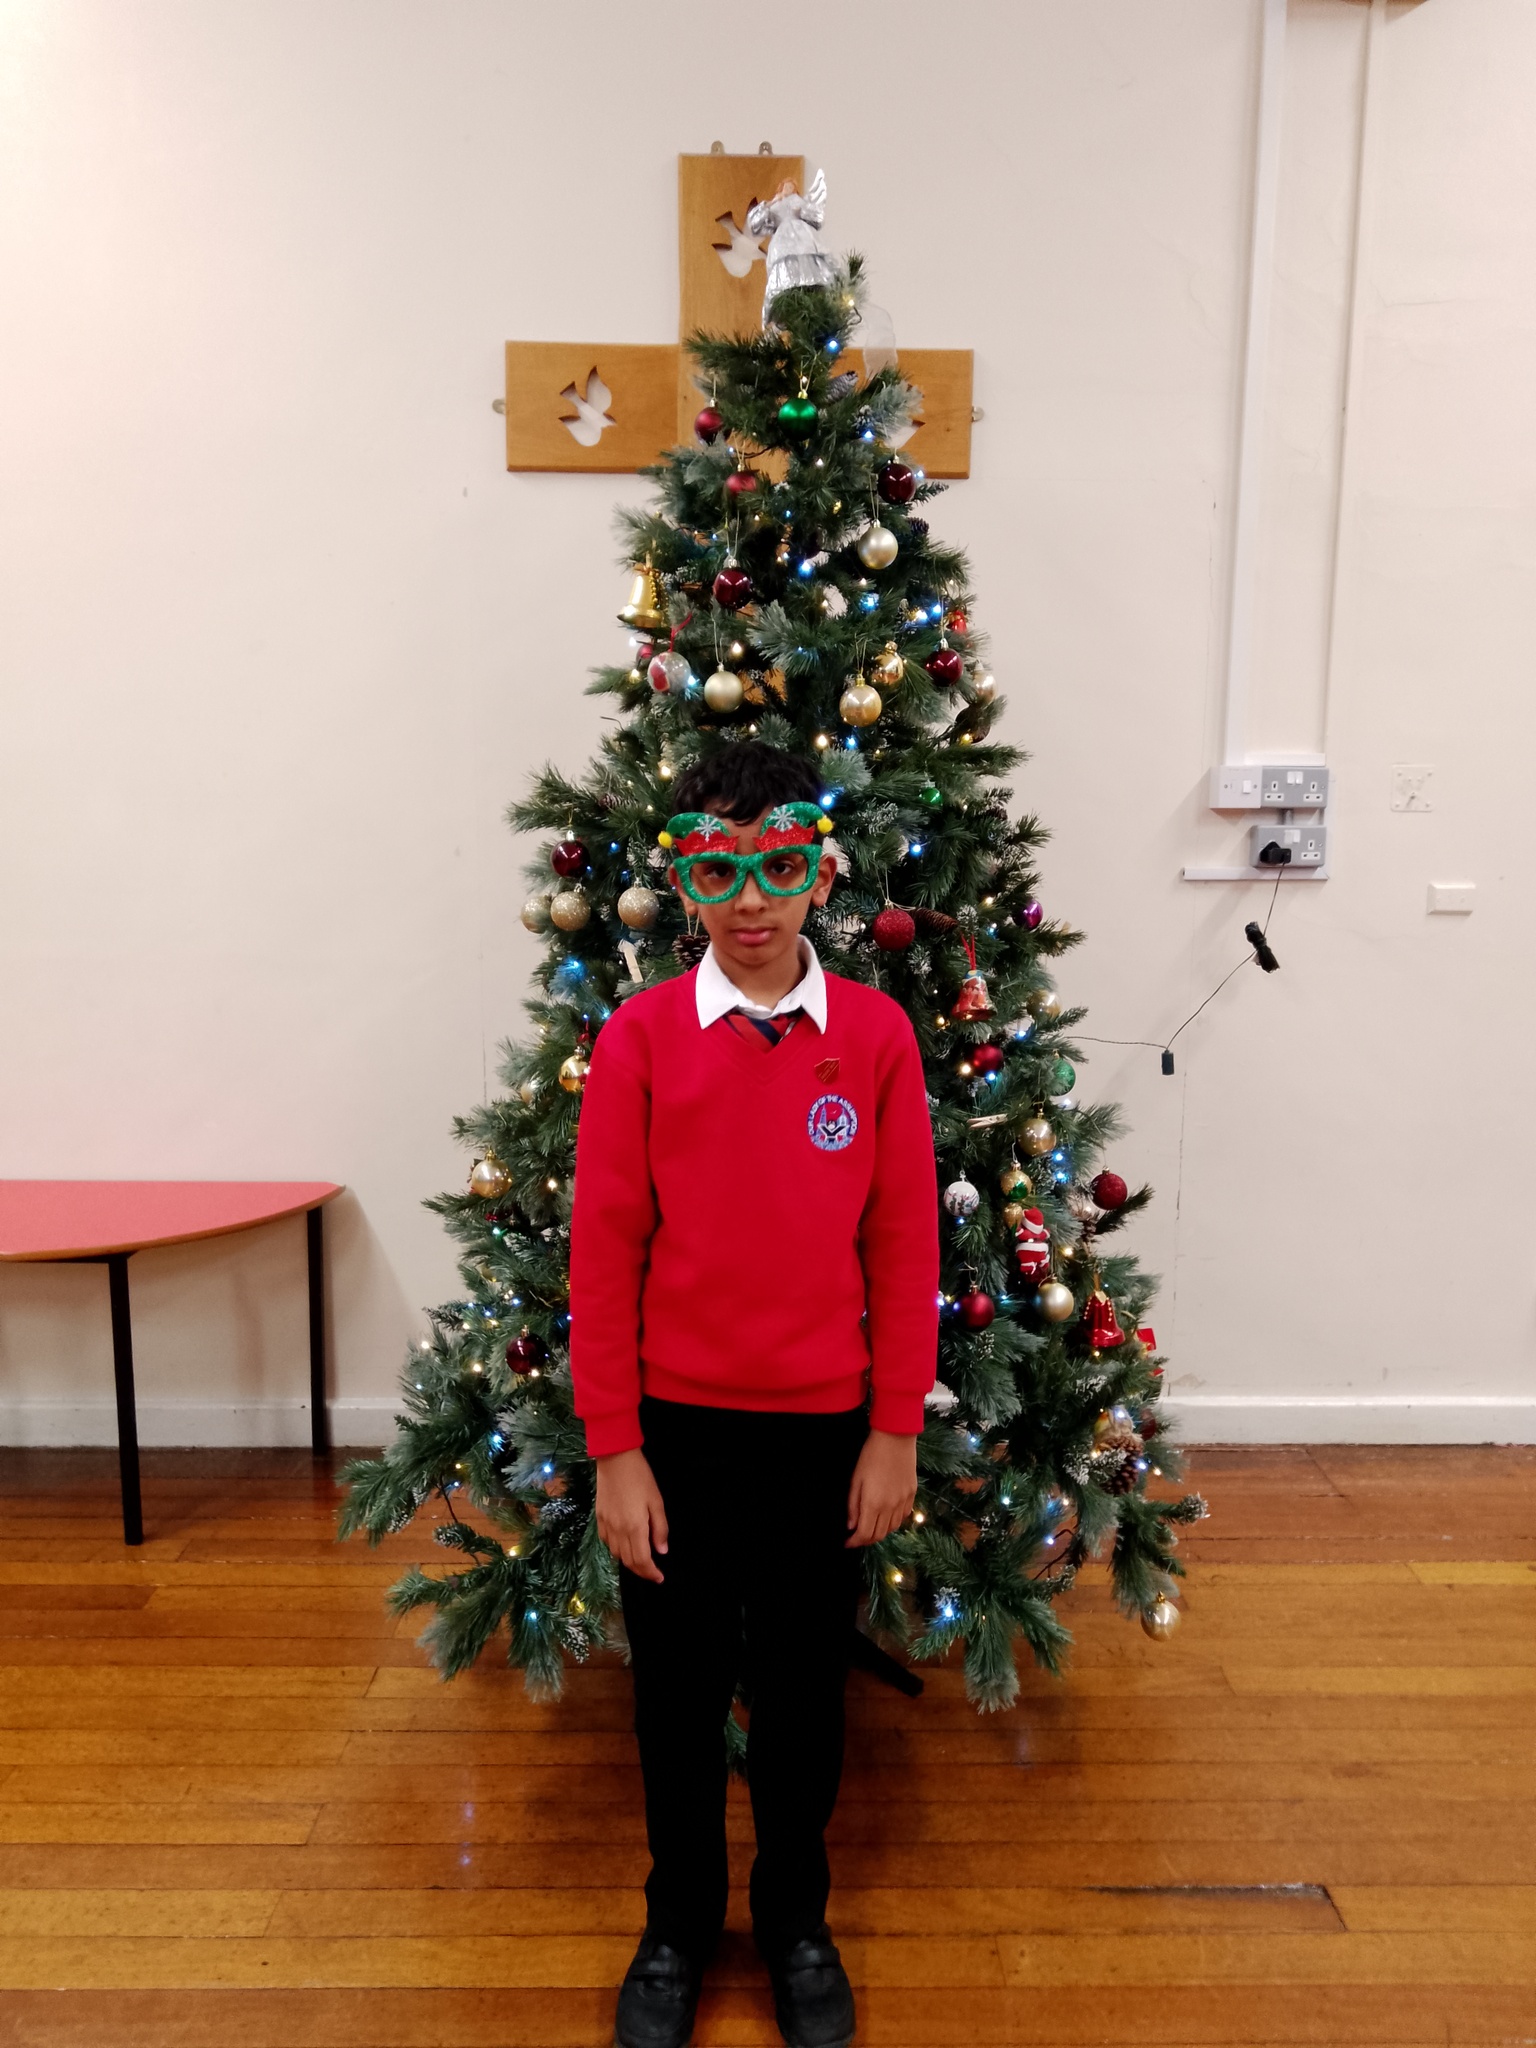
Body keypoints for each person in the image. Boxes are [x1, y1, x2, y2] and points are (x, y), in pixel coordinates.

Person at [569, 742, 939, 2048]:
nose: (751, 902)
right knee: (673, 1700)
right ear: (684, 881)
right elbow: (604, 1249)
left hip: (823, 1435)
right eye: (718, 872)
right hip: (675, 1438)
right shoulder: (642, 1039)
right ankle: (677, 1923)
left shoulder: (876, 1039)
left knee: (800, 1700)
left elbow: (903, 1242)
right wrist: (615, 1448)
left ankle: (795, 1921)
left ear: (818, 873)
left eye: (778, 868)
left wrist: (895, 1427)